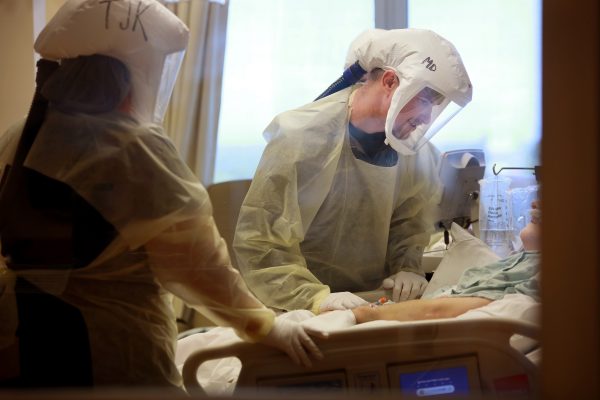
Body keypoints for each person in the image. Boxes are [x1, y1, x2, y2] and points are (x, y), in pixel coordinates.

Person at [0, 0, 321, 389]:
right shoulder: (130, 148)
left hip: (29, 343)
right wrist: (265, 325)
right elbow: (197, 267)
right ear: (136, 71)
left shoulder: (18, 135)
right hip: (112, 355)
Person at [233, 28, 473, 314]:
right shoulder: (301, 136)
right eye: (424, 102)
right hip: (294, 310)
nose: (424, 118)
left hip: (374, 303)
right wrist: (314, 298)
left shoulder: (413, 152)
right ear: (389, 82)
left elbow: (409, 224)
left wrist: (407, 269)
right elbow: (261, 245)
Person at [351, 201, 541, 324]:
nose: (535, 203)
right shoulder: (521, 261)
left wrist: (361, 314)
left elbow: (436, 312)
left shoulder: (540, 273)